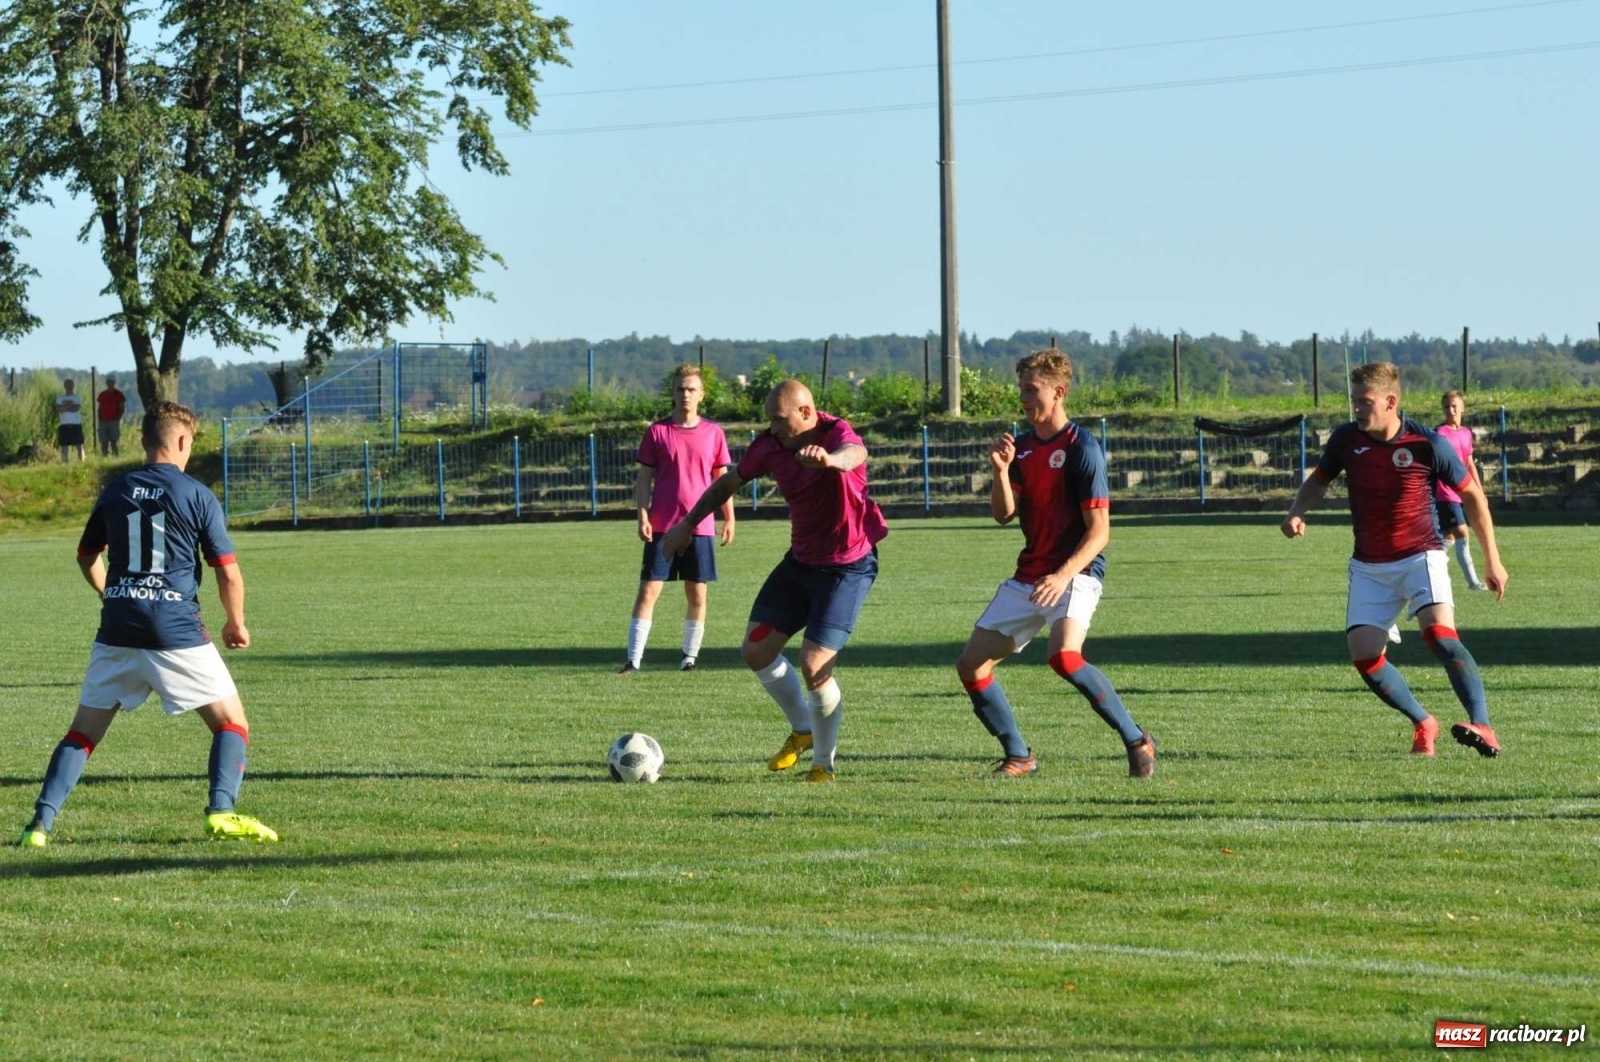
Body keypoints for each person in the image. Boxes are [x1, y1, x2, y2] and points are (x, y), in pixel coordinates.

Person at [18, 400, 279, 847]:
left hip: (117, 628)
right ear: (181, 441)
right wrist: (236, 623)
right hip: (173, 629)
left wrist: (110, 592)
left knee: (82, 733)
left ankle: (38, 827)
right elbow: (227, 570)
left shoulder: (115, 489)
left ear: (142, 442)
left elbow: (86, 556)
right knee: (232, 723)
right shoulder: (196, 493)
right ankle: (221, 811)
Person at [660, 379, 886, 782]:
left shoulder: (836, 432)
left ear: (805, 412)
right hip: (800, 564)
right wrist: (687, 524)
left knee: (814, 665)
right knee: (755, 651)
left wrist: (830, 461)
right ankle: (802, 728)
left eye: (779, 420)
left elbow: (856, 453)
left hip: (847, 567)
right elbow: (730, 481)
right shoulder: (770, 446)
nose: (773, 429)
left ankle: (823, 764)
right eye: (769, 421)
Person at [1281, 362, 1508, 757]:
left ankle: (1484, 725)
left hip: (1421, 555)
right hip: (1369, 565)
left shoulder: (1427, 444)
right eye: (1353, 401)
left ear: (1390, 401)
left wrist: (1493, 560)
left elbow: (1474, 497)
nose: (1356, 409)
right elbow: (1319, 480)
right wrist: (1297, 511)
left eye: (1364, 401)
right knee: (1365, 655)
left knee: (1439, 634)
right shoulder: (1346, 440)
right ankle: (1424, 721)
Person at [954, 350, 1157, 779]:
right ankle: (1019, 756)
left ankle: (1137, 739)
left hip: (1076, 573)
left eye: (1033, 389)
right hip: (1031, 575)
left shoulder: (1082, 448)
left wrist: (1062, 574)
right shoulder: (1022, 448)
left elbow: (1099, 532)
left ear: (1059, 391)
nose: (1024, 398)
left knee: (1064, 656)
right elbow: (1003, 514)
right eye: (1022, 389)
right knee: (970, 664)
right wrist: (1000, 471)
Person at [621, 363, 736, 673]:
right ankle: (633, 660)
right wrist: (642, 516)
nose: (685, 394)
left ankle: (689, 657)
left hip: (701, 527)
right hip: (662, 526)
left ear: (701, 394)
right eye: (680, 389)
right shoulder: (657, 432)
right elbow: (644, 479)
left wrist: (729, 518)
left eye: (691, 389)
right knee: (648, 590)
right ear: (672, 393)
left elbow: (722, 479)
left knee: (697, 593)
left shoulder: (713, 433)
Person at [1435, 390, 1488, 590]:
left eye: (1454, 406)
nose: (1451, 410)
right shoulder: (1440, 434)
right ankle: (1473, 582)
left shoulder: (1466, 433)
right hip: (1445, 493)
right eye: (1446, 406)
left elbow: (1469, 463)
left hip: (1461, 492)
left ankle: (1430, 570)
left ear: (1462, 408)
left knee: (1447, 539)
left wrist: (1479, 492)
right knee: (1463, 533)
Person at [97, 375, 128, 457]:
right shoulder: (102, 394)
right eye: (108, 381)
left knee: (114, 441)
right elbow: (99, 408)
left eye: (111, 382)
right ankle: (104, 457)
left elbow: (122, 408)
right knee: (104, 442)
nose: (109, 383)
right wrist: (99, 420)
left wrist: (118, 418)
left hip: (114, 420)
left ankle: (116, 457)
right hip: (103, 421)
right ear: (106, 383)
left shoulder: (118, 394)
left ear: (114, 383)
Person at [55, 378, 85, 462]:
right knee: (64, 447)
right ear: (64, 386)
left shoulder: (77, 397)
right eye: (68, 385)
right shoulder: (60, 398)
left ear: (73, 386)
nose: (70, 387)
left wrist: (64, 407)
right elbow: (58, 409)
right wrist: (70, 405)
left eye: (71, 385)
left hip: (76, 424)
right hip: (64, 425)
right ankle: (65, 464)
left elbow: (76, 408)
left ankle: (81, 462)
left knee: (79, 446)